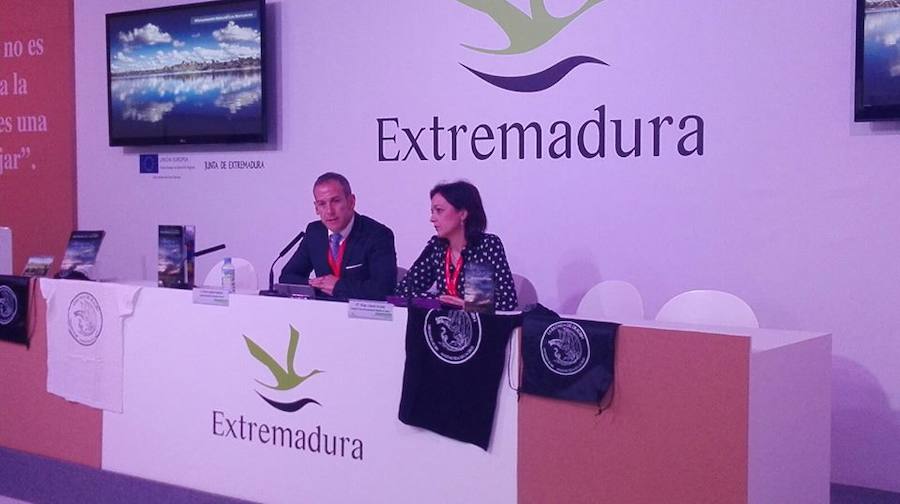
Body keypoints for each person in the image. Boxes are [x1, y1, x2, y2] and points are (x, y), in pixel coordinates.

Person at [395, 180, 518, 311]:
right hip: (442, 324)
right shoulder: (437, 247)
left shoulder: (484, 245)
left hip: (479, 326)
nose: (432, 218)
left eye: (439, 211)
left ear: (463, 214)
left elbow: (507, 302)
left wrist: (468, 305)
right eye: (432, 211)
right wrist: (438, 300)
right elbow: (404, 290)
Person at [279, 172, 397, 301]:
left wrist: (338, 286)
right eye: (322, 204)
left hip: (363, 317)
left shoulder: (377, 235)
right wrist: (317, 284)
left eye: (335, 201)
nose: (329, 211)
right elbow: (287, 276)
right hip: (323, 313)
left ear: (351, 202)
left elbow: (383, 290)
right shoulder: (314, 232)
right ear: (316, 208)